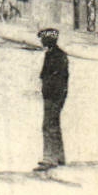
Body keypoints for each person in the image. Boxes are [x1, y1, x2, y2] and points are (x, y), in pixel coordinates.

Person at [34, 28, 69, 172]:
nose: (42, 42)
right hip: (56, 94)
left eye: (43, 40)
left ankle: (50, 158)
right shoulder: (56, 54)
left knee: (48, 125)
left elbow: (52, 77)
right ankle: (59, 156)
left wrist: (48, 92)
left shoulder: (55, 56)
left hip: (53, 95)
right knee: (54, 124)